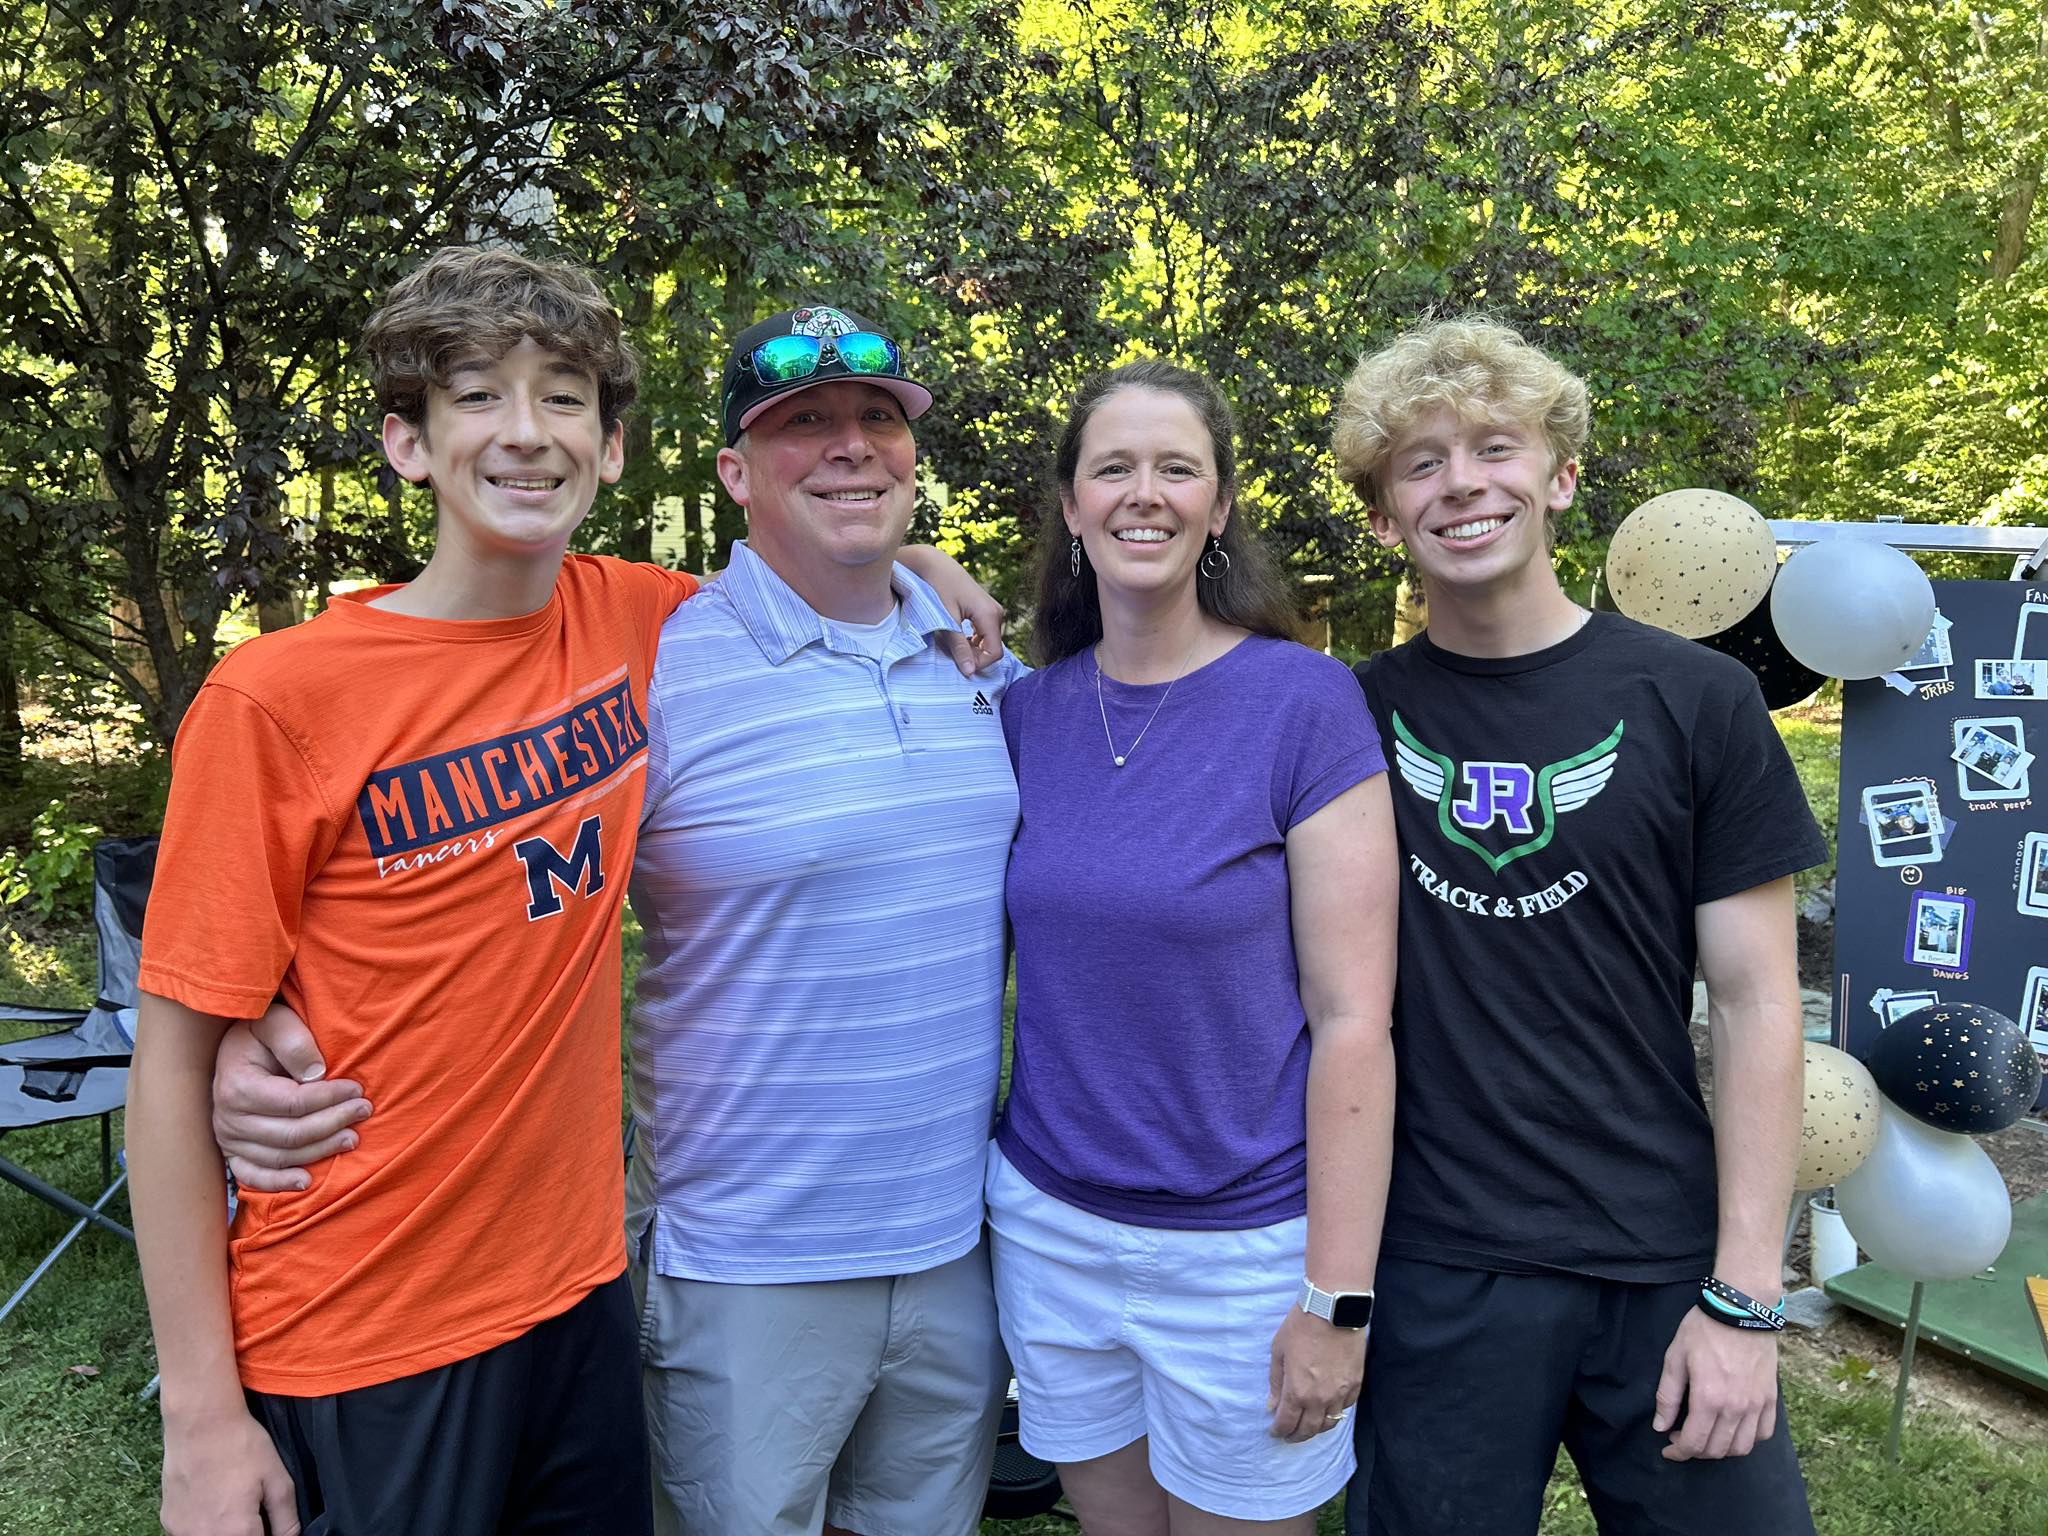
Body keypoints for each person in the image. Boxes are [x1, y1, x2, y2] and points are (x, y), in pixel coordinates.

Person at [136, 256, 1000, 1536]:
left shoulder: (638, 622)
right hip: (362, 1316)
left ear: (608, 447)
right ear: (406, 443)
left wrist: (924, 560)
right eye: (477, 396)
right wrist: (202, 1419)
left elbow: (823, 559)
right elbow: (167, 1062)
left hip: (576, 1296)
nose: (526, 432)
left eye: (561, 399)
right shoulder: (280, 697)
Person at [1330, 317, 1826, 1536]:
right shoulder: (1342, 719)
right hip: (1437, 1262)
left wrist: (1744, 1296)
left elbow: (1757, 1005)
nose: (1461, 483)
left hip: (1659, 1254)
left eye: (1493, 448)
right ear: (1385, 518)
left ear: (1558, 478)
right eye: (1420, 463)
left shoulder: (1697, 701)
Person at [989, 360, 1398, 1534]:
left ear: (1217, 507)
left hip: (1241, 1254)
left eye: (1176, 469)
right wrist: (922, 560)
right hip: (1049, 1229)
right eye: (1111, 468)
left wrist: (1335, 1298)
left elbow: (1353, 1021)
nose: (1143, 493)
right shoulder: (1025, 714)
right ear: (1070, 505)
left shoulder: (1302, 704)